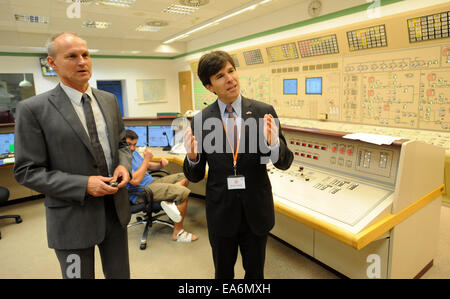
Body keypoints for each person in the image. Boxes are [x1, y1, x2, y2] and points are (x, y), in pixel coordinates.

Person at [13, 32, 132, 279]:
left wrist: (124, 166)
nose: (82, 62)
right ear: (52, 63)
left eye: (86, 55)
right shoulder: (33, 109)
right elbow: (27, 171)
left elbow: (122, 143)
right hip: (72, 218)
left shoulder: (109, 101)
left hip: (114, 212)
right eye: (72, 56)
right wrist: (83, 184)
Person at [183, 50, 293, 279]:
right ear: (209, 86)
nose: (230, 79)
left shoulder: (264, 112)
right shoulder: (201, 120)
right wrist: (193, 158)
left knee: (255, 274)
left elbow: (284, 162)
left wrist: (274, 145)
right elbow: (194, 176)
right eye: (220, 76)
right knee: (223, 274)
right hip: (221, 212)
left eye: (231, 71)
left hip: (255, 210)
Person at [126, 129, 198, 242]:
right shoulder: (121, 158)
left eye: (134, 144)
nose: (133, 148)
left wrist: (160, 165)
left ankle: (169, 201)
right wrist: (146, 159)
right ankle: (178, 233)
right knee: (183, 193)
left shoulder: (133, 152)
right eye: (129, 144)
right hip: (141, 192)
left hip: (152, 183)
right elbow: (135, 180)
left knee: (186, 175)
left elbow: (147, 166)